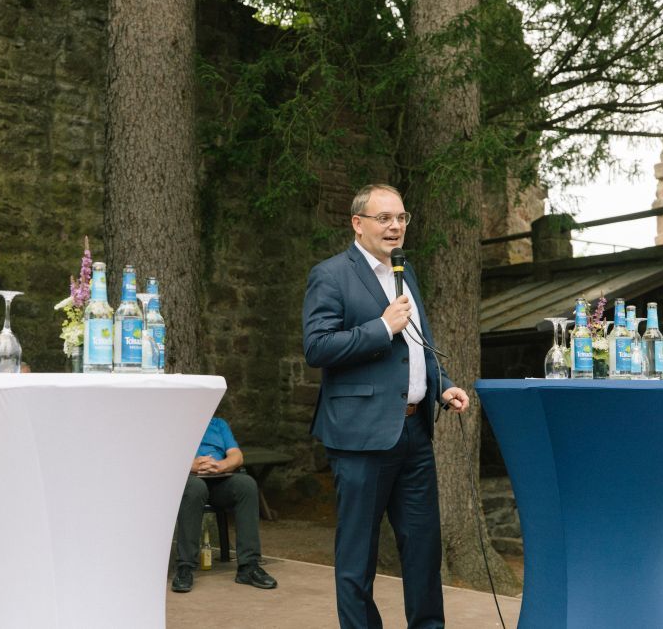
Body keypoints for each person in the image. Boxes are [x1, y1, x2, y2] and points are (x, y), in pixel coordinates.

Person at [302, 184, 470, 629]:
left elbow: (417, 346)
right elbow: (317, 347)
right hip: (360, 436)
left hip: (414, 434)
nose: (395, 226)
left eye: (401, 217)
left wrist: (442, 386)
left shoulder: (404, 271)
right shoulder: (332, 274)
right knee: (358, 557)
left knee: (423, 551)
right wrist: (379, 327)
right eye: (384, 218)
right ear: (358, 224)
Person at [170, 416, 277, 593]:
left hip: (219, 479)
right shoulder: (175, 422)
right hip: (190, 480)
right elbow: (165, 455)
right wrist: (192, 465)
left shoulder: (218, 424)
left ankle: (248, 566)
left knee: (247, 485)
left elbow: (237, 455)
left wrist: (221, 465)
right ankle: (185, 567)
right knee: (195, 488)